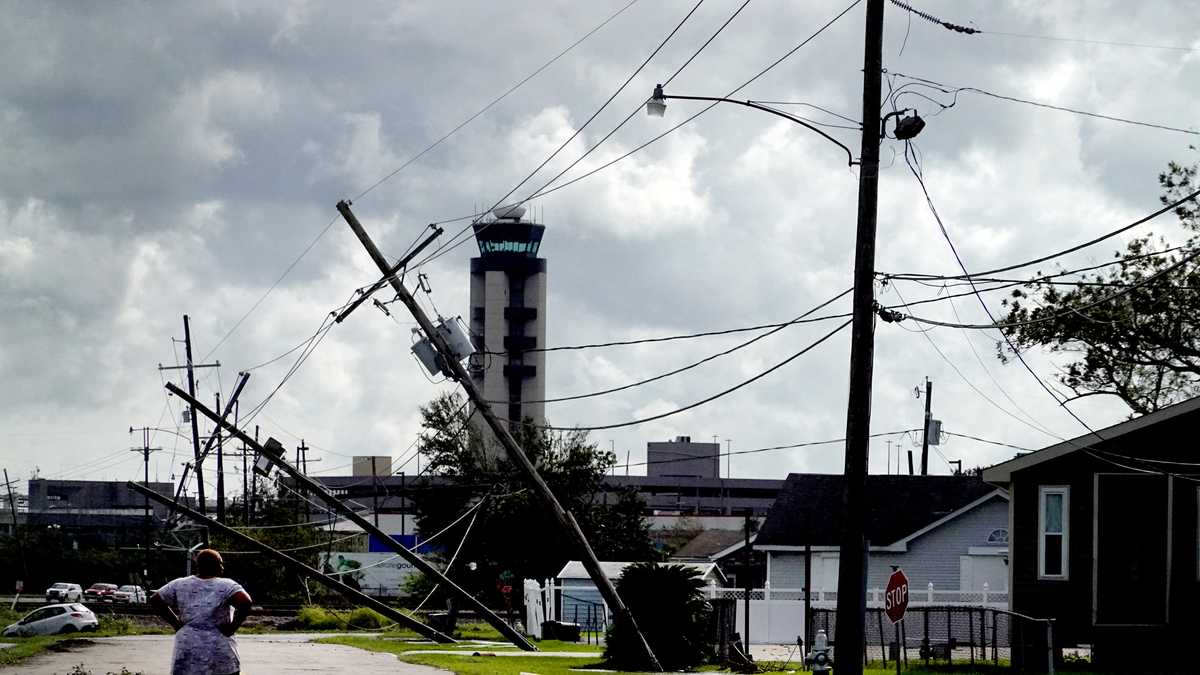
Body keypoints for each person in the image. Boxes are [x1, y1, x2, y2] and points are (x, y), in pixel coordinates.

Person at [150, 549, 253, 675]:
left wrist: (176, 623)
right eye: (220, 563)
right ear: (214, 565)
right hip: (218, 648)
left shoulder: (179, 584)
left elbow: (155, 600)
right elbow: (246, 602)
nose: (222, 567)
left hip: (187, 646)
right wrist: (232, 627)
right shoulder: (227, 585)